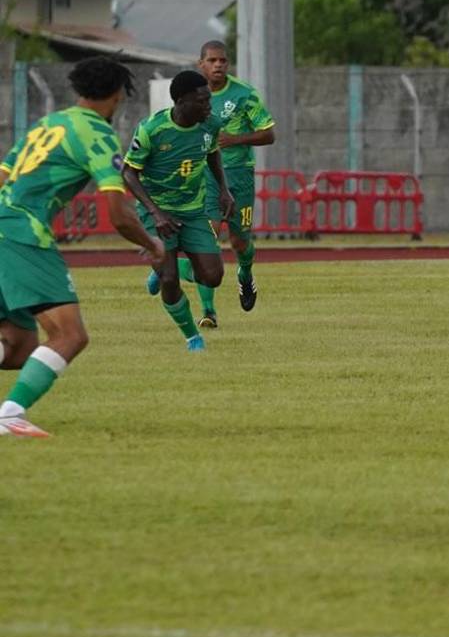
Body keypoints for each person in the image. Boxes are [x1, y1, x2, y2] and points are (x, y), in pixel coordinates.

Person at [0, 57, 166, 439]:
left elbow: (4, 174)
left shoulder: (48, 123)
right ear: (117, 96)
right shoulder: (96, 134)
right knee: (70, 335)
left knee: (19, 346)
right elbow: (119, 213)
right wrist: (152, 244)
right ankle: (10, 414)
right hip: (21, 232)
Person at [147, 41, 275, 328]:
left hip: (239, 175)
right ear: (200, 64)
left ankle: (244, 274)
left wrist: (236, 139)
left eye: (223, 61)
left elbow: (269, 134)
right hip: (203, 177)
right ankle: (208, 312)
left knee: (239, 241)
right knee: (208, 242)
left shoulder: (244, 95)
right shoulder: (191, 96)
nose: (218, 65)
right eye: (212, 60)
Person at [124, 71, 235, 352]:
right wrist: (156, 213)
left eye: (210, 99)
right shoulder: (151, 129)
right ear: (182, 101)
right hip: (157, 212)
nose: (209, 106)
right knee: (170, 281)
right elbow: (128, 174)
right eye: (203, 101)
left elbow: (212, 154)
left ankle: (173, 265)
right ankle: (192, 338)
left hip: (193, 211)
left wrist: (224, 189)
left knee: (213, 277)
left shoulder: (210, 125)